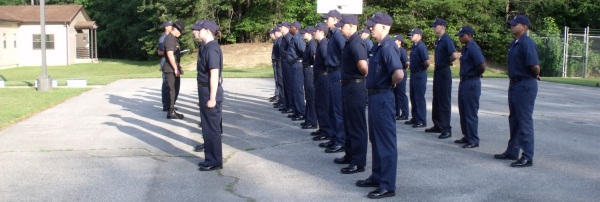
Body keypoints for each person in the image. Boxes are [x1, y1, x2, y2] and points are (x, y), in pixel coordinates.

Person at [358, 12, 404, 199]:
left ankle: (387, 185)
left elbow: (399, 74)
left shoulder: (388, 47)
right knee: (376, 139)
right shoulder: (378, 46)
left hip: (383, 97)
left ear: (384, 27)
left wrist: (389, 83)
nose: (370, 28)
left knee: (385, 141)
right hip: (375, 98)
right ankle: (377, 176)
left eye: (373, 25)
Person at [494, 15, 541, 167]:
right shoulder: (515, 43)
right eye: (511, 24)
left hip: (525, 84)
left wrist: (534, 75)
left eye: (515, 24)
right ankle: (512, 151)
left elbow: (535, 66)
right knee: (514, 119)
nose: (512, 26)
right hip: (515, 84)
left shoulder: (527, 43)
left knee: (524, 120)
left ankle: (527, 156)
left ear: (524, 27)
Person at [334, 15, 368, 175]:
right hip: (348, 87)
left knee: (356, 125)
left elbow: (364, 66)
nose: (340, 28)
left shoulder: (356, 43)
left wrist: (359, 77)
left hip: (355, 87)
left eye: (343, 26)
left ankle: (358, 162)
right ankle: (350, 155)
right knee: (348, 123)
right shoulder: (349, 42)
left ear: (351, 26)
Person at [192, 20, 225, 171]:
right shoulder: (206, 47)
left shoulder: (211, 49)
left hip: (210, 91)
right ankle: (209, 158)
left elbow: (214, 74)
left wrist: (212, 98)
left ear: (207, 30)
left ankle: (215, 161)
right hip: (205, 90)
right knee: (207, 127)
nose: (194, 32)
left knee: (212, 128)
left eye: (198, 29)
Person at [454, 26, 486, 149]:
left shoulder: (473, 48)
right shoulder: (465, 48)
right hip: (464, 81)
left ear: (469, 35)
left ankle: (473, 139)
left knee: (470, 112)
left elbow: (481, 65)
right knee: (463, 110)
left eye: (462, 36)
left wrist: (476, 74)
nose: (460, 38)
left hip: (471, 81)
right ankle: (467, 135)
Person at [427, 18, 458, 139]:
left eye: (436, 26)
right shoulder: (438, 40)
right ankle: (438, 124)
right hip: (438, 71)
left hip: (444, 71)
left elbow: (454, 55)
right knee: (437, 99)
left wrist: (446, 62)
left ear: (443, 26)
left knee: (444, 100)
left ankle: (446, 128)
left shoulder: (447, 39)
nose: (434, 28)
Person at [320, 10, 346, 153]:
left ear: (335, 19)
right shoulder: (332, 34)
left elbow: (345, 53)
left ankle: (340, 141)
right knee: (331, 107)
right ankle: (334, 137)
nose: (325, 21)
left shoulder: (338, 35)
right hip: (331, 73)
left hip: (337, 72)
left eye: (327, 18)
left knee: (337, 109)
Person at [310, 23, 333, 141]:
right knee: (319, 103)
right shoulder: (320, 44)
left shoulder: (324, 44)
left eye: (316, 31)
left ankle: (326, 130)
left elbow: (326, 61)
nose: (314, 32)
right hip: (319, 77)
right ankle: (322, 128)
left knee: (323, 104)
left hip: (323, 77)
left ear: (322, 32)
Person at [405, 28, 430, 128]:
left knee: (419, 97)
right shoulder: (414, 46)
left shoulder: (421, 46)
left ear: (419, 35)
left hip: (419, 73)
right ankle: (415, 117)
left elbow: (426, 62)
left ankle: (421, 120)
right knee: (413, 96)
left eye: (413, 34)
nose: (411, 36)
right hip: (414, 73)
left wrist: (422, 68)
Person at [163, 19, 185, 119]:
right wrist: (175, 68)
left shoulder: (174, 39)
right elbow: (170, 54)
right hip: (170, 69)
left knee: (176, 89)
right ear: (176, 29)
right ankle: (170, 111)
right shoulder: (169, 38)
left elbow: (176, 56)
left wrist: (179, 67)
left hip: (174, 68)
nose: (181, 34)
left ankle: (172, 108)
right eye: (181, 31)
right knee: (172, 90)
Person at [286, 21, 306, 121]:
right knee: (294, 88)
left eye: (291, 27)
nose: (290, 28)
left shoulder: (298, 38)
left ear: (296, 29)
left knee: (298, 89)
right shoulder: (294, 37)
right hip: (293, 64)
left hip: (298, 64)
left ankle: (301, 112)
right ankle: (296, 110)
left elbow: (303, 50)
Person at [192, 20, 206, 152]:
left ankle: (208, 143)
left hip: (207, 86)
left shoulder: (208, 46)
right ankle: (207, 141)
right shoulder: (203, 45)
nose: (194, 32)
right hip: (203, 83)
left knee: (209, 120)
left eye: (196, 30)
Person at [301, 26, 318, 129]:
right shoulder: (309, 44)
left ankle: (312, 121)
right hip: (307, 69)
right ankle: (308, 119)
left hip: (310, 70)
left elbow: (314, 58)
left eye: (305, 33)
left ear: (310, 33)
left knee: (311, 96)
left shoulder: (312, 44)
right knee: (308, 96)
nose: (304, 34)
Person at [278, 22, 294, 114]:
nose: (280, 28)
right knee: (285, 84)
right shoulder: (284, 37)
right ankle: (287, 104)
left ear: (287, 28)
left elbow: (290, 50)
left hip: (287, 62)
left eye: (282, 27)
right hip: (283, 61)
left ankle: (290, 105)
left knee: (288, 84)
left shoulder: (288, 37)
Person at [393, 34, 410, 121]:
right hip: (396, 72)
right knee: (395, 93)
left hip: (401, 72)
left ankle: (404, 113)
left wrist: (404, 68)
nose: (394, 41)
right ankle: (396, 112)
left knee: (401, 93)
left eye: (395, 40)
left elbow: (406, 62)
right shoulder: (395, 50)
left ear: (400, 41)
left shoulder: (402, 50)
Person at [158, 21, 172, 112]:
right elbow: (159, 52)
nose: (172, 27)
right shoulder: (163, 38)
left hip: (169, 62)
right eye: (171, 26)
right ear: (166, 27)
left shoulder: (169, 37)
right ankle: (165, 105)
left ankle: (169, 104)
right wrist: (169, 53)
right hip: (164, 62)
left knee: (169, 83)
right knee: (165, 83)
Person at [272, 26, 285, 109]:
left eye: (275, 32)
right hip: (278, 61)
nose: (273, 34)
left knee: (281, 82)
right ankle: (281, 99)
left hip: (280, 61)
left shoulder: (280, 40)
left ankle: (282, 100)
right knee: (279, 81)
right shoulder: (278, 40)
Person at [269, 28, 281, 103]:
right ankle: (277, 94)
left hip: (277, 62)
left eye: (271, 33)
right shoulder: (276, 41)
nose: (270, 35)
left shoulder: (278, 41)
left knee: (278, 79)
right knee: (276, 79)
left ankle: (278, 94)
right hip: (275, 61)